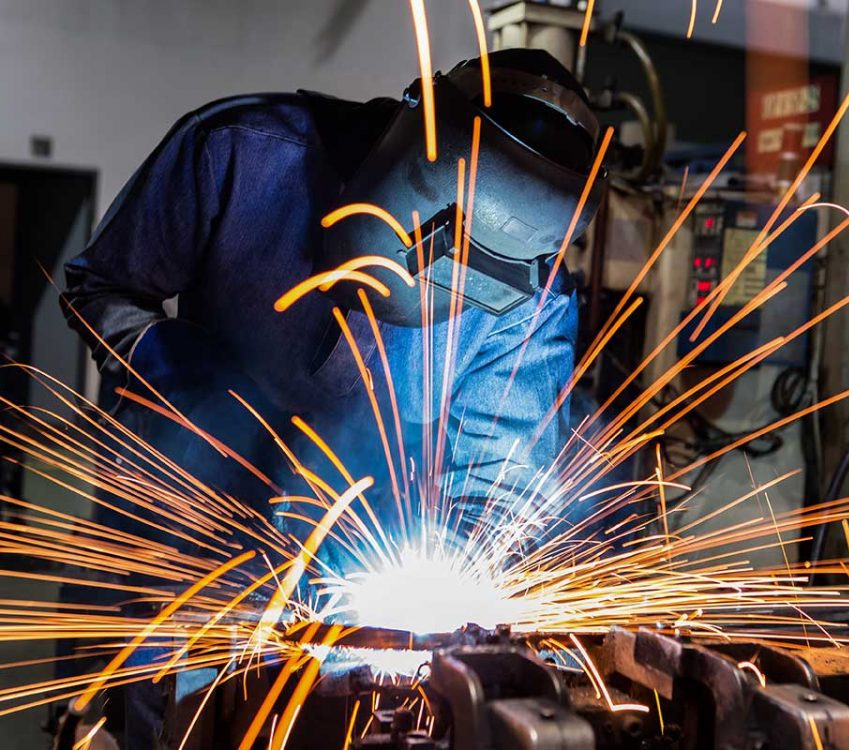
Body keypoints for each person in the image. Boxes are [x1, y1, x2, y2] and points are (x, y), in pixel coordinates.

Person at [60, 48, 605, 748]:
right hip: (180, 532)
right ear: (418, 142)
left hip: (350, 564)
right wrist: (185, 391)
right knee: (160, 715)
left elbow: (500, 479)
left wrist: (453, 570)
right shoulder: (240, 151)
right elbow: (100, 285)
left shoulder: (534, 298)